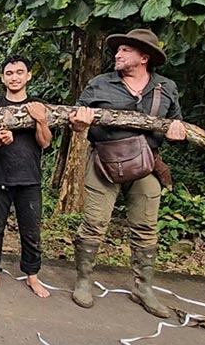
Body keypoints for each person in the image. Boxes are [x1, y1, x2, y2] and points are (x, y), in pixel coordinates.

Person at [69, 28, 186, 318]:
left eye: (125, 51)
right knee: (94, 223)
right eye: (117, 50)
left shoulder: (165, 87)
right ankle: (84, 280)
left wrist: (176, 130)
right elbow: (76, 118)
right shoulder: (100, 84)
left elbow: (177, 124)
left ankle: (143, 287)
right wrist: (79, 123)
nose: (118, 55)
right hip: (104, 162)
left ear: (144, 57)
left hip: (146, 164)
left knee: (146, 227)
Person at [0, 55, 52, 298]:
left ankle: (32, 275)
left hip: (29, 178)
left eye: (19, 72)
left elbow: (45, 142)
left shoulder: (38, 105)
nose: (14, 77)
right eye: (9, 73)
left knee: (31, 231)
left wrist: (41, 119)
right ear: (3, 77)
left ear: (28, 75)